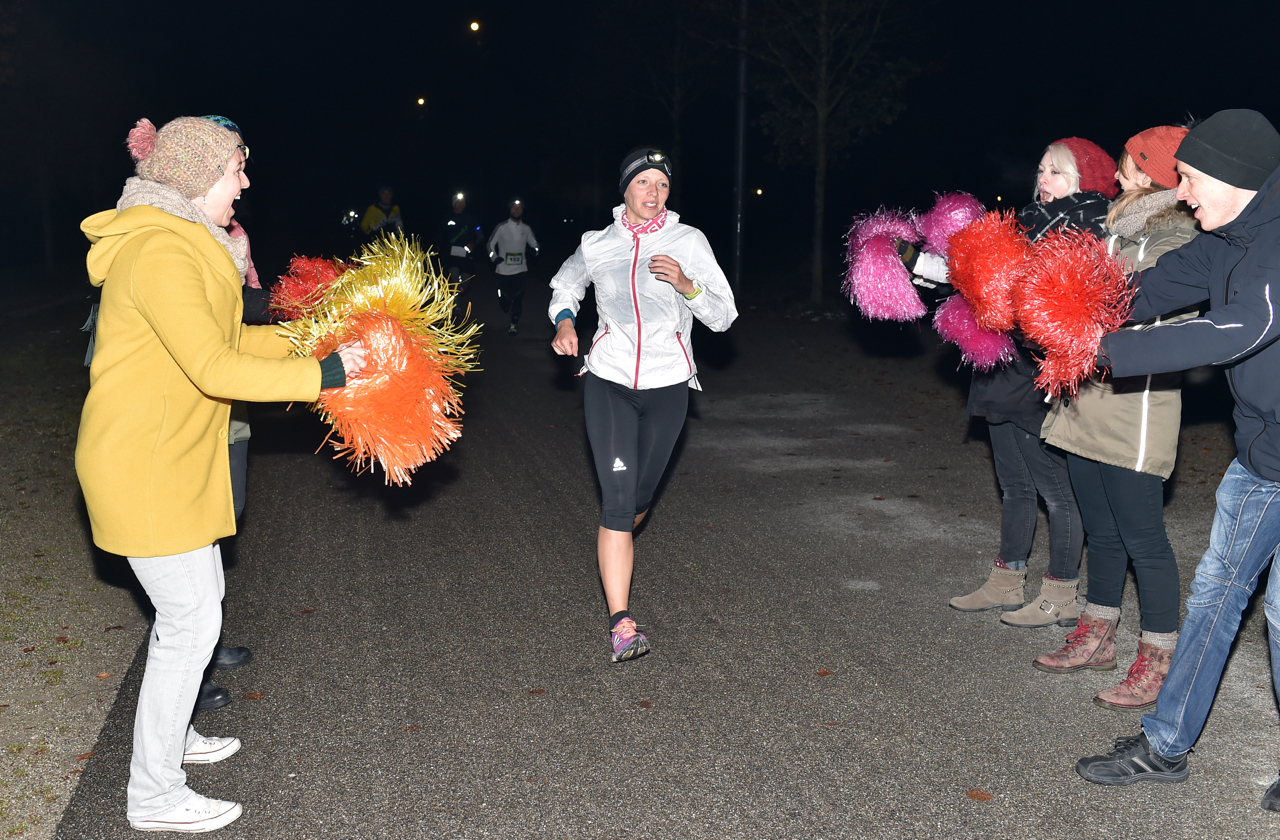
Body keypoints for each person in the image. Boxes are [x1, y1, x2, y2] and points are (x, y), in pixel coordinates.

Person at [77, 116, 367, 832]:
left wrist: (308, 337)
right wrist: (327, 373)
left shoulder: (181, 244)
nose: (245, 181)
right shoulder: (160, 253)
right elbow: (213, 367)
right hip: (143, 465)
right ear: (196, 175)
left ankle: (172, 739)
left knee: (198, 605)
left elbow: (229, 337)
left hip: (168, 458)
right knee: (191, 621)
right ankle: (152, 795)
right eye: (236, 168)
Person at [1072, 110, 1280, 810]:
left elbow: (1239, 326)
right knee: (1219, 596)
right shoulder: (1226, 234)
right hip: (1261, 458)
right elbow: (1152, 289)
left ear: (1233, 176)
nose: (1183, 194)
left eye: (1190, 179)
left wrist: (1107, 353)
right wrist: (1066, 312)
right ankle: (1164, 747)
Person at [549, 148, 737, 662]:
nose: (653, 194)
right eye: (643, 183)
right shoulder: (598, 244)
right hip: (607, 377)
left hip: (669, 383)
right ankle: (621, 624)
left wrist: (685, 284)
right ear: (624, 188)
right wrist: (566, 320)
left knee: (636, 503)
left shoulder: (688, 241)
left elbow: (723, 316)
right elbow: (565, 283)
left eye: (662, 184)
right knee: (616, 503)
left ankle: (616, 540)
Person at [1035, 127, 1198, 707]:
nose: (1120, 177)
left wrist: (1075, 296)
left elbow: (1153, 315)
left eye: (1131, 168)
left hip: (1137, 403)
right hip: (1088, 394)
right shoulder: (1110, 229)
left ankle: (1158, 660)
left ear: (1157, 175)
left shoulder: (1176, 238)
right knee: (1100, 530)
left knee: (1144, 540)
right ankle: (1097, 633)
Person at [946, 138, 1116, 627]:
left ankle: (1061, 591)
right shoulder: (1024, 226)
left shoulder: (1088, 232)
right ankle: (1006, 580)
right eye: (1041, 169)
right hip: (1003, 370)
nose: (1043, 179)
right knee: (1015, 485)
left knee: (1057, 490)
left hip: (1041, 375)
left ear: (1084, 182)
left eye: (1057, 173)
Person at [487, 197, 540, 334]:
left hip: (521, 270)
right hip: (503, 270)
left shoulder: (526, 228)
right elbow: (490, 244)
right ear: (510, 210)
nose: (516, 210)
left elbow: (535, 244)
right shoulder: (501, 227)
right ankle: (503, 301)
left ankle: (513, 325)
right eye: (513, 208)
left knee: (518, 299)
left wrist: (535, 251)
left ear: (522, 210)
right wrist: (494, 258)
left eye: (519, 208)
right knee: (505, 302)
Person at [436, 192, 482, 292]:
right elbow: (440, 232)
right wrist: (438, 245)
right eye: (457, 202)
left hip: (467, 254)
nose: (460, 204)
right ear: (453, 204)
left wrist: (474, 244)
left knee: (465, 281)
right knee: (454, 277)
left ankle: (461, 287)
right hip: (451, 253)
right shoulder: (447, 218)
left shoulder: (471, 219)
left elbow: (480, 234)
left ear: (465, 205)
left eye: (462, 202)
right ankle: (456, 306)